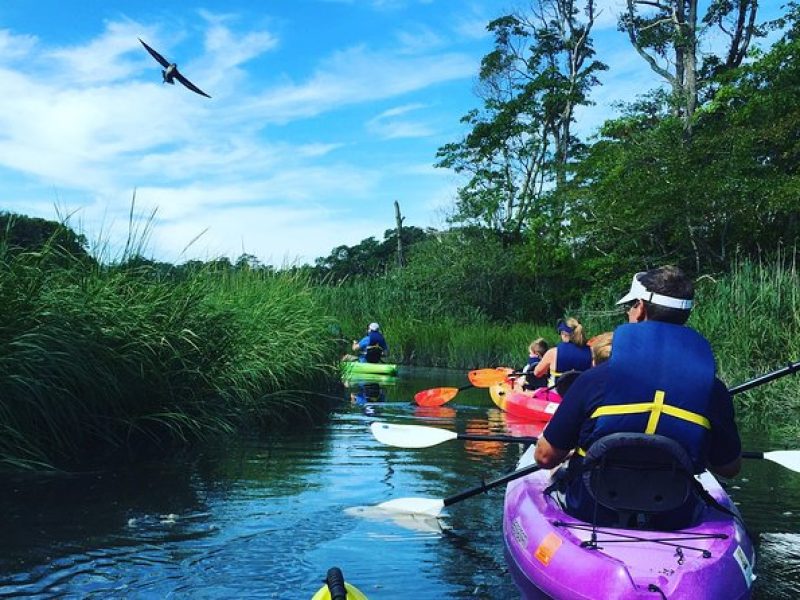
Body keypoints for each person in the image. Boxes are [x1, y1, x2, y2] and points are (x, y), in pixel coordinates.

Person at [534, 266, 742, 528]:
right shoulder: (713, 390)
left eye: (630, 306)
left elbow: (544, 458)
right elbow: (729, 468)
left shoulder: (594, 380)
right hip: (673, 516)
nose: (629, 312)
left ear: (641, 308)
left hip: (593, 510)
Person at [532, 317, 592, 387]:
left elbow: (537, 373)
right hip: (582, 395)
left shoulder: (553, 353)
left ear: (563, 334)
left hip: (557, 395)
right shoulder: (592, 352)